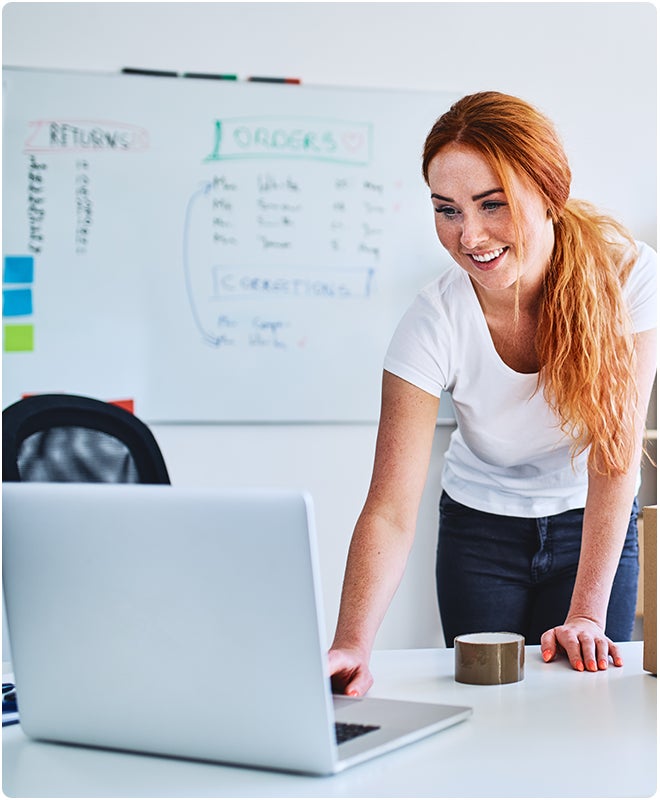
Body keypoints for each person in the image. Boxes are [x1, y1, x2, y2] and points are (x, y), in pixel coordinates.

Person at [329, 91, 657, 696]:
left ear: (549, 193)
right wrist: (351, 642)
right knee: (487, 706)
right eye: (447, 209)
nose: (469, 235)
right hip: (480, 532)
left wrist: (585, 611)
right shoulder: (433, 320)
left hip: (592, 524)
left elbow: (615, 458)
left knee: (587, 709)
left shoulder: (629, 275)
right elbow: (389, 511)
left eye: (492, 204)